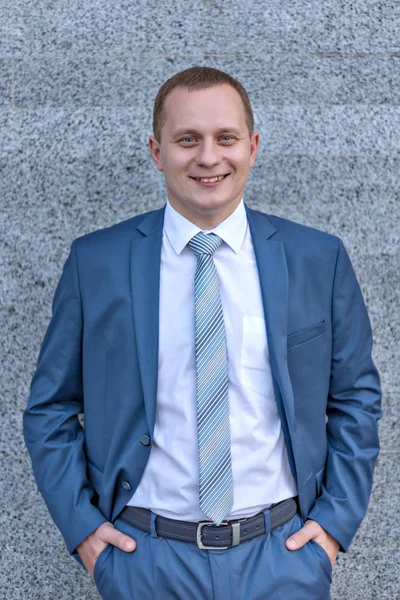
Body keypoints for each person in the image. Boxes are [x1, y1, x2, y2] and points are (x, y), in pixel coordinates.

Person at [23, 66, 382, 600]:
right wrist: (85, 536)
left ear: (253, 146)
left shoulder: (317, 258)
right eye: (187, 139)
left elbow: (356, 398)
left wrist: (330, 530)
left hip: (282, 559)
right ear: (156, 150)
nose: (209, 157)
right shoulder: (95, 262)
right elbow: (50, 408)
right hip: (144, 560)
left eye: (226, 138)